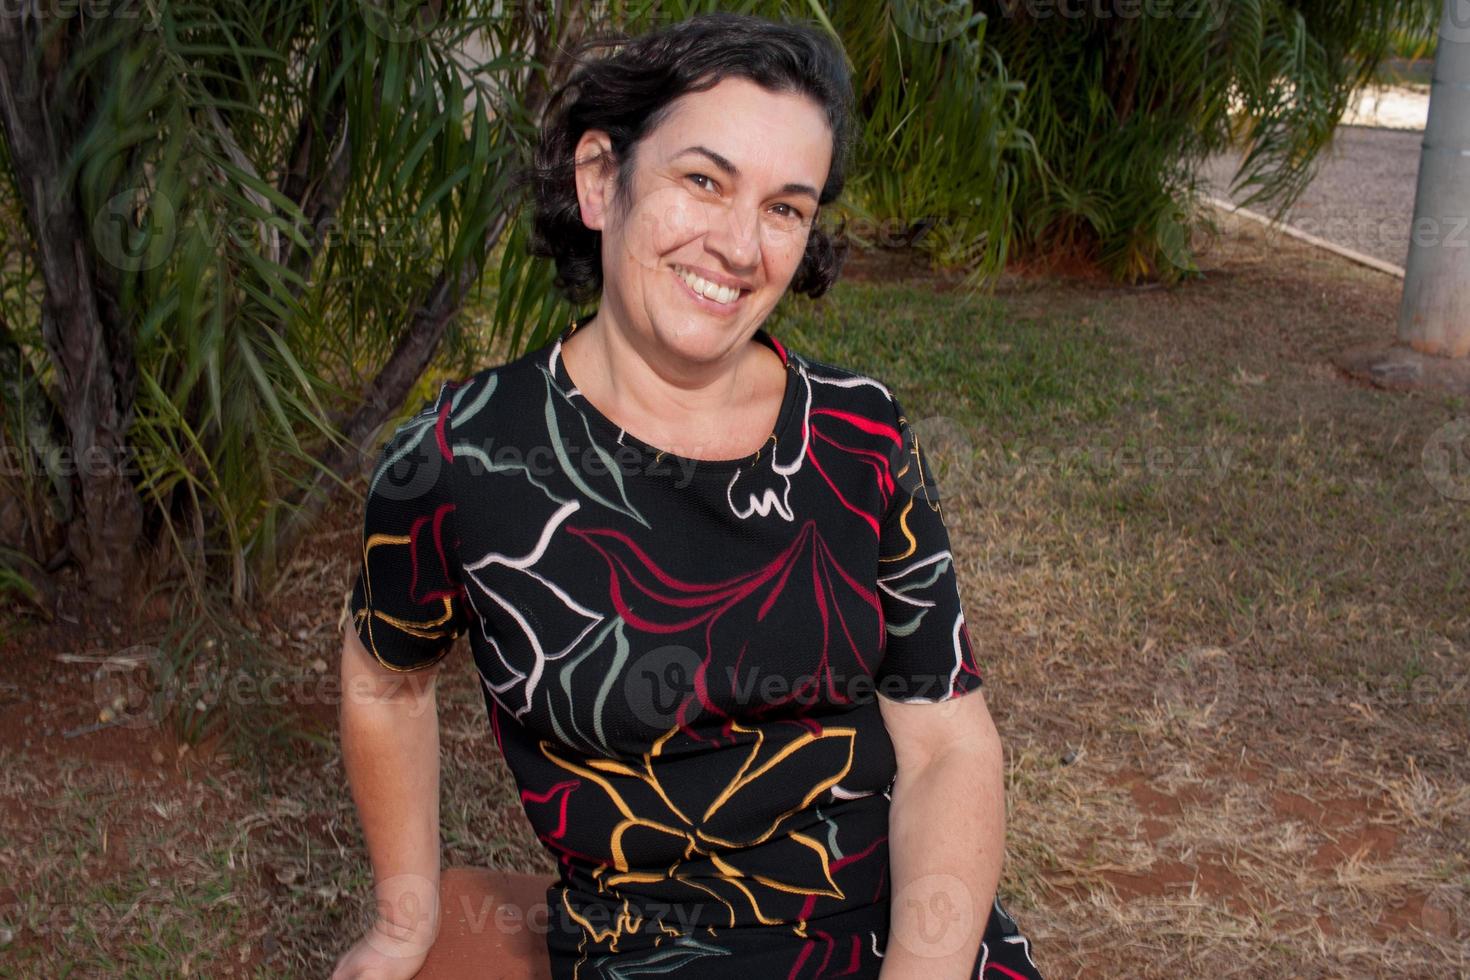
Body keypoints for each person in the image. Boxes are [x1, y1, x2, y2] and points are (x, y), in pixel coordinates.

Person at [332, 11, 1042, 980]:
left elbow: (948, 740)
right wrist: (406, 914)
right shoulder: (463, 459)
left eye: (785, 208)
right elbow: (385, 677)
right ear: (598, 180)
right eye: (703, 181)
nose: (741, 246)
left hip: (908, 932)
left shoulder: (859, 433)